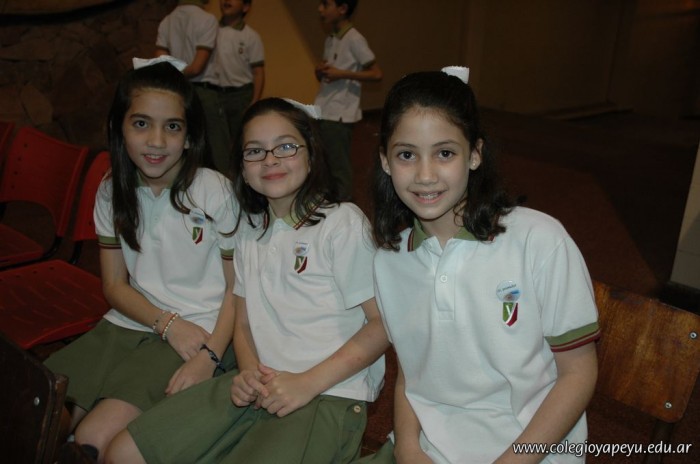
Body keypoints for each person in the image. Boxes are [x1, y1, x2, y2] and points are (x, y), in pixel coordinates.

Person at [104, 97, 388, 464]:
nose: (270, 160)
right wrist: (250, 370)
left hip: (328, 393)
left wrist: (307, 383)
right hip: (259, 383)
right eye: (255, 151)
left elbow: (381, 324)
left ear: (312, 154)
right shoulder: (249, 232)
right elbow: (242, 322)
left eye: (285, 147)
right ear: (242, 166)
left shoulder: (341, 224)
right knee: (123, 452)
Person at [363, 68, 600, 463]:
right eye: (406, 155)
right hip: (430, 447)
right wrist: (407, 446)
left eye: (445, 153)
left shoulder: (539, 240)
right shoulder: (389, 260)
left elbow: (578, 373)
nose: (425, 175)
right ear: (385, 161)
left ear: (475, 154)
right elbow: (412, 371)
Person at [44, 59, 238, 462]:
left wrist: (210, 356)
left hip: (201, 328)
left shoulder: (213, 191)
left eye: (172, 127)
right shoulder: (112, 190)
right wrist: (166, 323)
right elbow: (114, 286)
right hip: (134, 320)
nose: (156, 141)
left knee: (93, 439)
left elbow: (238, 288)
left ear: (190, 136)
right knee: (42, 414)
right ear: (119, 128)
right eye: (141, 123)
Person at [314, 0, 382, 200]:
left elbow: (376, 73)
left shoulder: (354, 39)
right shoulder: (331, 38)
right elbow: (329, 74)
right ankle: (331, 202)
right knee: (326, 163)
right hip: (325, 108)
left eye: (326, 4)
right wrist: (320, 71)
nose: (320, 9)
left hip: (340, 113)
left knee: (339, 167)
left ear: (342, 9)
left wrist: (342, 74)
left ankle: (345, 206)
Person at [198, 0, 266, 175]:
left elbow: (258, 72)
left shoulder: (250, 36)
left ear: (246, 7)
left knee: (241, 142)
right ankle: (223, 179)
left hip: (241, 95)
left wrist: (254, 102)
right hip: (216, 94)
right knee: (217, 143)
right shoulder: (211, 30)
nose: (226, 1)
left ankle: (245, 179)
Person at [155, 0, 218, 82]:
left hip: (176, 84)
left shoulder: (166, 21)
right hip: (201, 85)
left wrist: (173, 75)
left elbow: (161, 63)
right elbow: (195, 69)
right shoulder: (208, 19)